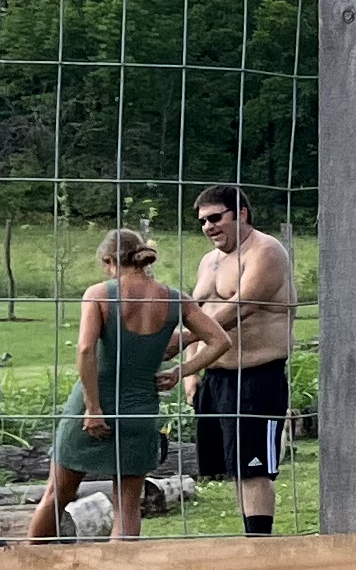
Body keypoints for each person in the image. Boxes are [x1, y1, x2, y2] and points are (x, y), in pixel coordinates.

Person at [28, 228, 232, 543]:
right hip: (140, 411)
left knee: (57, 494)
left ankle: (31, 564)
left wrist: (93, 407)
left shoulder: (99, 294)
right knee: (128, 506)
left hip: (92, 406)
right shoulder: (175, 298)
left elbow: (85, 350)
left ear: (109, 260)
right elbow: (220, 340)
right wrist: (180, 371)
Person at [180, 183, 298, 534]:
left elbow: (242, 307)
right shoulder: (209, 261)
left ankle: (259, 544)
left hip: (257, 375)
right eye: (202, 221)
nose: (208, 227)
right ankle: (249, 538)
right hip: (216, 378)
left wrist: (184, 340)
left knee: (255, 468)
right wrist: (192, 374)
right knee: (235, 467)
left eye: (215, 218)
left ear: (241, 214)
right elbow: (196, 314)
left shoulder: (266, 251)